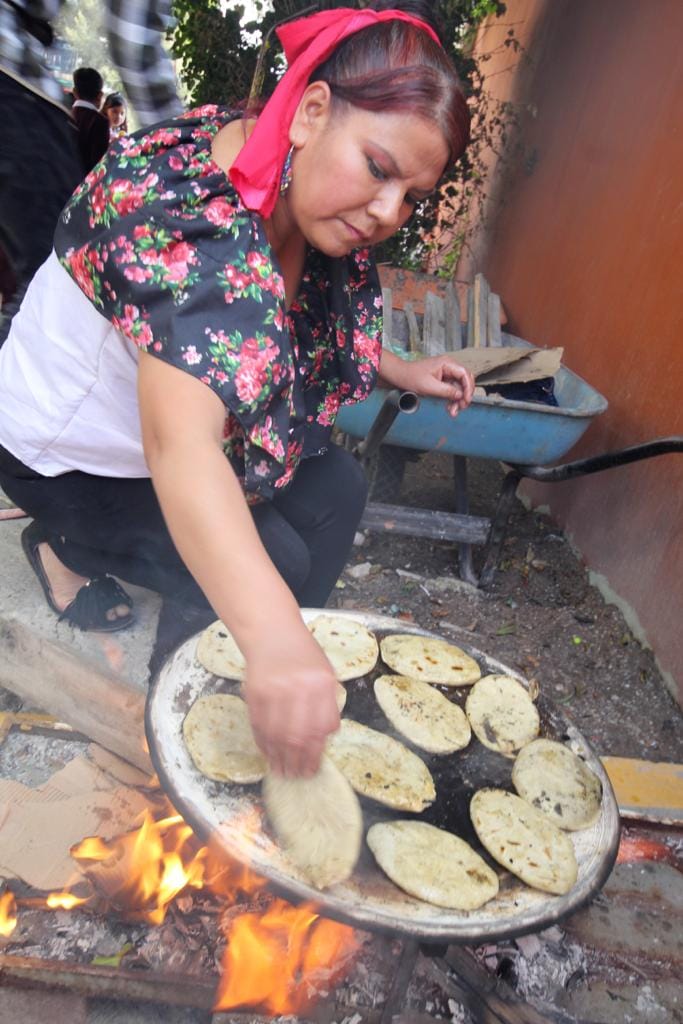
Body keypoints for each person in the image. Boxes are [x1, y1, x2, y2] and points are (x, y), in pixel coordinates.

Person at [0, 1, 474, 778]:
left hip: (145, 434)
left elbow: (299, 313)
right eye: (380, 170)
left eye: (411, 197)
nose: (388, 212)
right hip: (59, 454)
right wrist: (276, 636)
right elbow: (181, 448)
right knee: (270, 563)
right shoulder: (196, 225)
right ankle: (180, 738)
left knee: (337, 488)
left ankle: (261, 703)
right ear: (313, 109)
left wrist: (397, 368)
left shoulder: (286, 161)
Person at [0, 0, 183, 345]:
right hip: (12, 75)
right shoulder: (97, 125)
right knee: (58, 281)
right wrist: (187, 151)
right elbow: (133, 36)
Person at [71, 66, 110, 173]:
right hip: (81, 184)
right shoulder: (101, 122)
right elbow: (98, 165)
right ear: (100, 96)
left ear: (74, 92)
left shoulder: (65, 114)